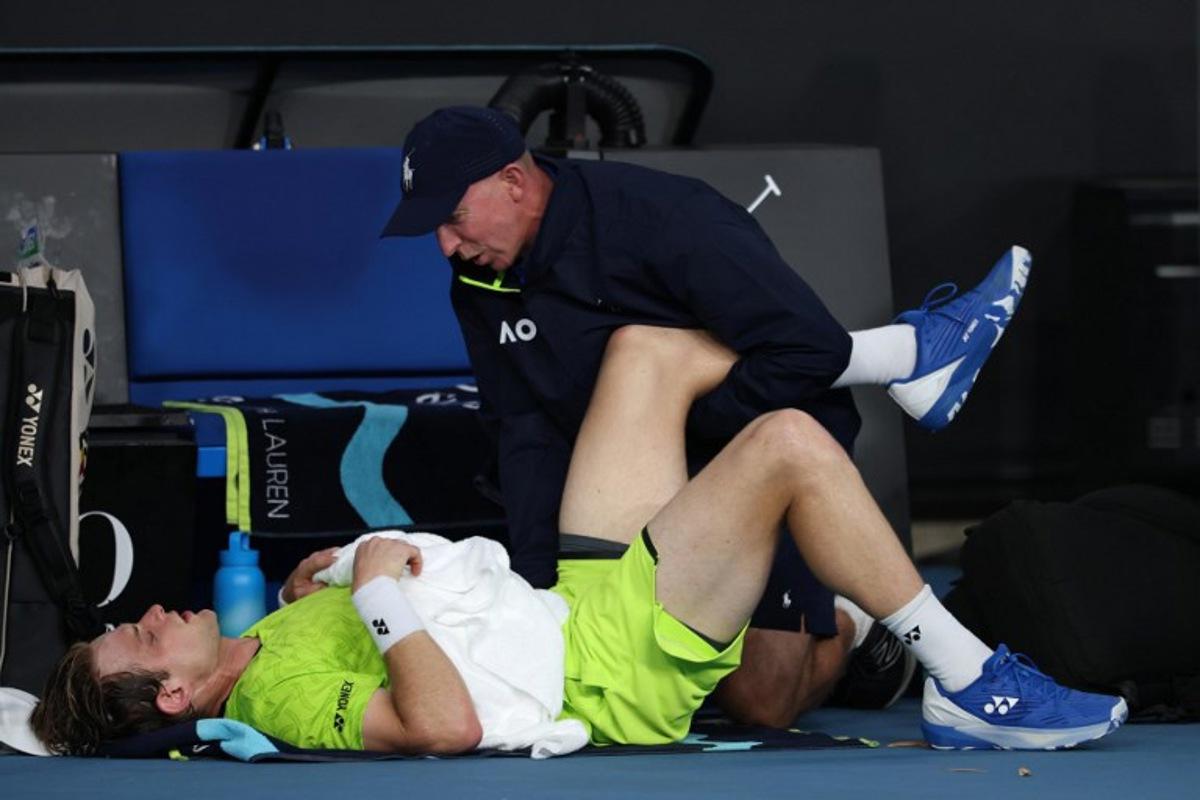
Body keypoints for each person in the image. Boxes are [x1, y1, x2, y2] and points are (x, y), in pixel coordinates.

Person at [31, 325, 1125, 757]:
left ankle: (896, 355)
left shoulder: (260, 639)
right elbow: (444, 723)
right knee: (786, 443)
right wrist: (369, 581)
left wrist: (313, 577)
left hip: (571, 598)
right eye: (138, 639)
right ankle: (963, 675)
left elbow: (372, 625)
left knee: (648, 352)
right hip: (616, 659)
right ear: (176, 696)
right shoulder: (268, 701)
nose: (147, 615)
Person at [377, 105, 1032, 723]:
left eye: (455, 216)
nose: (445, 245)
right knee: (649, 663)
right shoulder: (480, 279)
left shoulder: (669, 220)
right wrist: (538, 593)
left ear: (514, 182)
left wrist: (680, 419)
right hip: (627, 479)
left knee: (763, 702)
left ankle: (855, 624)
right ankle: (906, 354)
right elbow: (523, 433)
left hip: (761, 439)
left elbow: (808, 352)